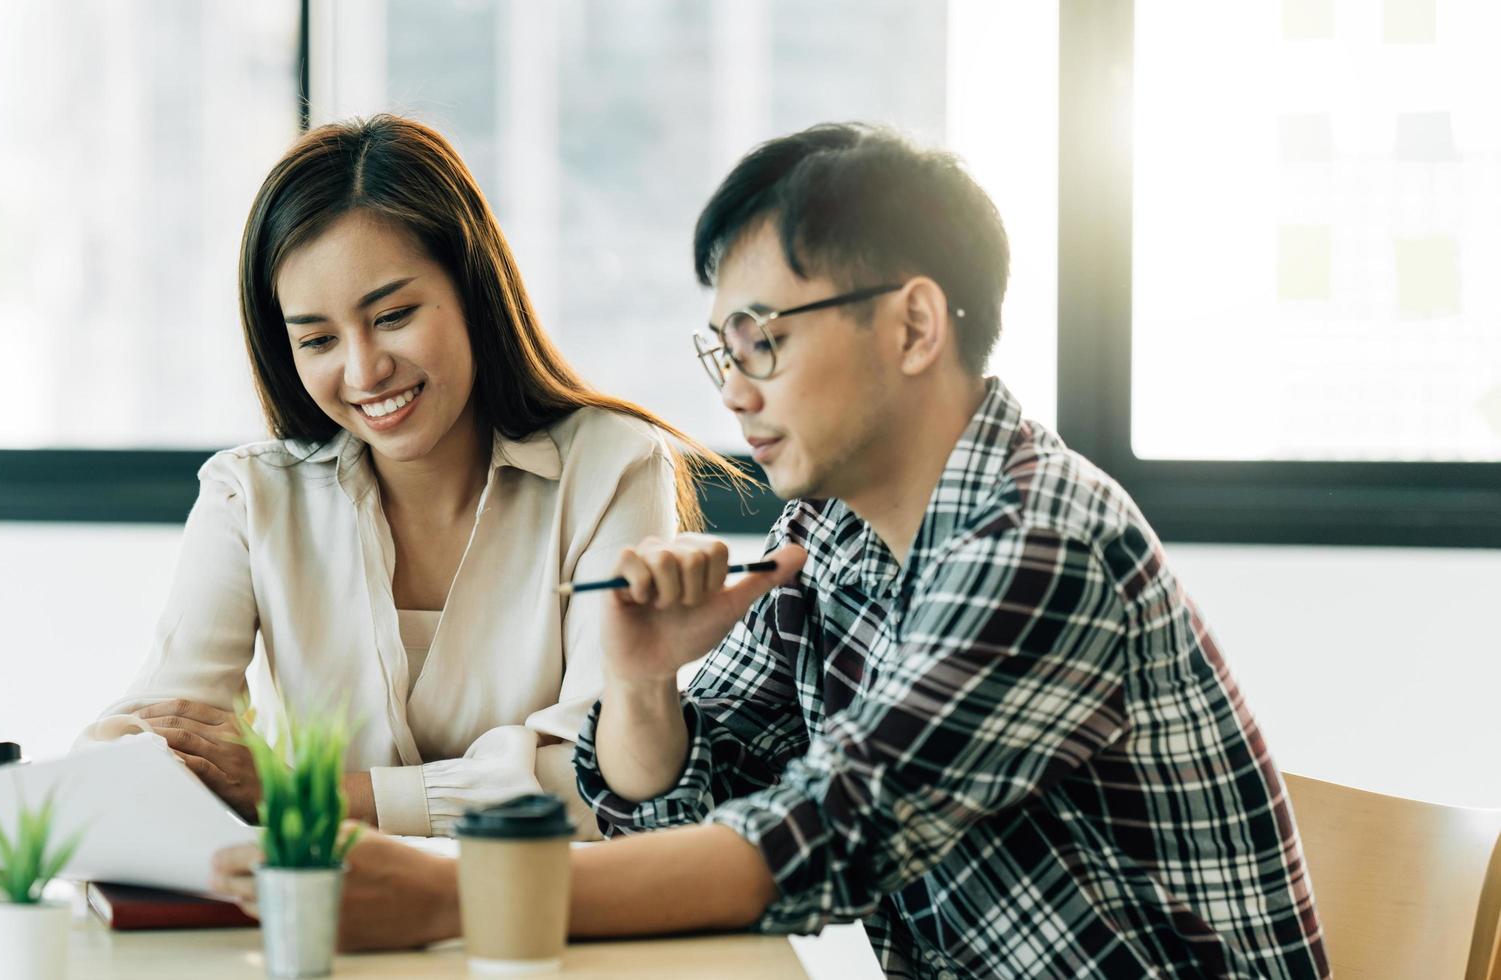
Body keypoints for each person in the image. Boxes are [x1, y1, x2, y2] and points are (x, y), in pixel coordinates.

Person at [212, 123, 1331, 977]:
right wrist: (645, 679)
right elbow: (689, 813)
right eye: (723, 349)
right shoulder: (830, 531)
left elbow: (814, 842)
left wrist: (458, 893)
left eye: (767, 341)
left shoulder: (1033, 541)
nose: (736, 390)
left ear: (912, 324)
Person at [88, 114, 746, 838]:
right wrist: (128, 758)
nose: (364, 371)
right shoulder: (249, 496)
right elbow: (157, 732)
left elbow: (598, 787)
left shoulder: (613, 464)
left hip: (544, 927)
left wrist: (308, 794)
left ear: (471, 289)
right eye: (316, 339)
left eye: (393, 315)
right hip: (324, 926)